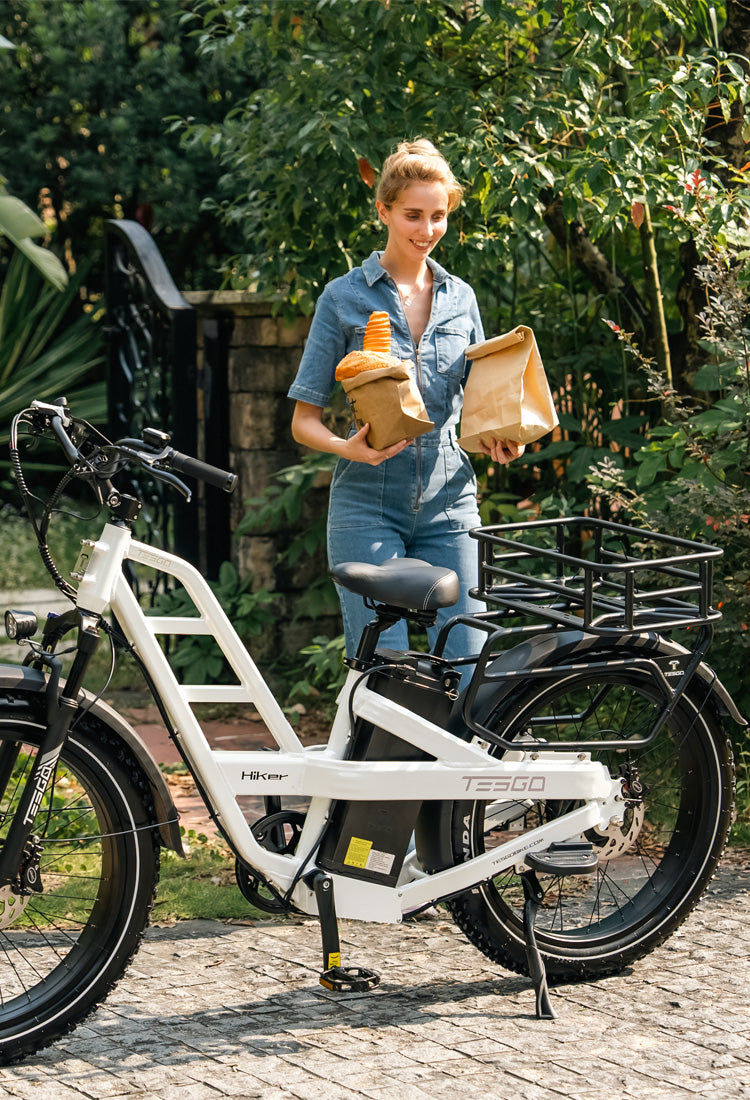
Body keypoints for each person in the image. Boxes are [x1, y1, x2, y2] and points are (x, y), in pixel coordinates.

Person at [288, 138, 522, 662]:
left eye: (438, 216)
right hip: (366, 506)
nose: (427, 230)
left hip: (451, 501)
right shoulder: (343, 298)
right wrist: (350, 449)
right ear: (384, 211)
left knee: (468, 664)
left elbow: (479, 410)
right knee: (384, 672)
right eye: (413, 215)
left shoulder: (461, 299)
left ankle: (458, 748)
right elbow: (304, 422)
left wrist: (499, 442)